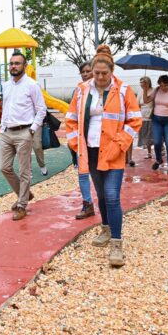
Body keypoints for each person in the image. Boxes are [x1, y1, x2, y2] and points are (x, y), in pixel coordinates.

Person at [65, 45, 142, 267]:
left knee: (112, 195)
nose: (99, 77)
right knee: (100, 193)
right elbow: (71, 119)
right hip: (89, 149)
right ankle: (106, 229)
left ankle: (116, 243)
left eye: (104, 73)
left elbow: (135, 120)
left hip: (113, 150)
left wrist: (120, 144)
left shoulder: (124, 90)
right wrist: (75, 143)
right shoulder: (82, 90)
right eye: (96, 73)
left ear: (112, 71)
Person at [0, 51, 47, 221]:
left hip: (24, 132)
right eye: (11, 63)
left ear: (25, 66)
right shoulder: (6, 85)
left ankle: (22, 205)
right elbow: (6, 107)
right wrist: (2, 127)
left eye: (17, 63)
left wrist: (32, 130)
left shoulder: (32, 85)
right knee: (4, 167)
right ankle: (24, 193)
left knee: (24, 170)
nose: (13, 66)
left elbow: (41, 109)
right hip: (6, 132)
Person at [73, 62, 95, 219]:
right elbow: (72, 115)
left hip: (98, 139)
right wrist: (73, 139)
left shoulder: (101, 90)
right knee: (82, 173)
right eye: (83, 72)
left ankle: (107, 204)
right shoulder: (78, 91)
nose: (86, 74)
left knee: (100, 174)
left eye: (88, 71)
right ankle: (87, 204)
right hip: (82, 139)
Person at [137, 76, 154, 159]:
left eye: (144, 82)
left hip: (151, 114)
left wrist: (152, 113)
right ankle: (149, 152)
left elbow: (154, 103)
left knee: (151, 134)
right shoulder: (140, 91)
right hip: (142, 115)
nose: (142, 84)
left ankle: (161, 147)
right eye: (141, 82)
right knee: (145, 134)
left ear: (148, 83)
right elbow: (138, 104)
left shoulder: (153, 90)